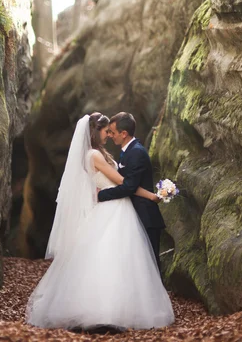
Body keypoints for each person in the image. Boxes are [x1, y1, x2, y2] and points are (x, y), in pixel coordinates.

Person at [26, 113, 174, 331]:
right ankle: (102, 310)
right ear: (96, 131)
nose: (109, 134)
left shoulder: (100, 153)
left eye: (111, 131)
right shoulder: (94, 155)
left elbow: (121, 181)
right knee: (107, 257)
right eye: (106, 131)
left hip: (118, 207)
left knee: (117, 258)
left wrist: (150, 195)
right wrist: (149, 195)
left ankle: (120, 307)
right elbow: (124, 182)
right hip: (112, 208)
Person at [98, 112, 165, 271]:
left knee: (150, 266)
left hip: (145, 216)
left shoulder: (136, 153)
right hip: (134, 214)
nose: (110, 135)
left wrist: (101, 195)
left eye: (113, 132)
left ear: (124, 134)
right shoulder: (127, 151)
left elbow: (129, 187)